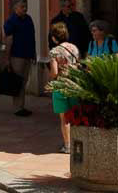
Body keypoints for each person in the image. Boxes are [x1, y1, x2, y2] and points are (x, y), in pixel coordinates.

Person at [47, 21, 81, 153]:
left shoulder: (55, 52)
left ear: (54, 37)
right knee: (75, 115)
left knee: (65, 119)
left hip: (61, 86)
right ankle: (78, 142)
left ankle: (68, 146)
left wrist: (51, 77)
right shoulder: (74, 48)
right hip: (73, 85)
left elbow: (54, 73)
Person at [2, 0, 36, 116]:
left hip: (27, 54)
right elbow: (8, 40)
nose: (25, 9)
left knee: (24, 81)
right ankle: (17, 108)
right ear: (15, 7)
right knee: (17, 82)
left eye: (26, 6)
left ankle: (21, 105)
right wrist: (7, 59)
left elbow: (32, 37)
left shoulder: (28, 19)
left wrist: (34, 54)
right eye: (22, 6)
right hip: (17, 56)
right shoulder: (11, 21)